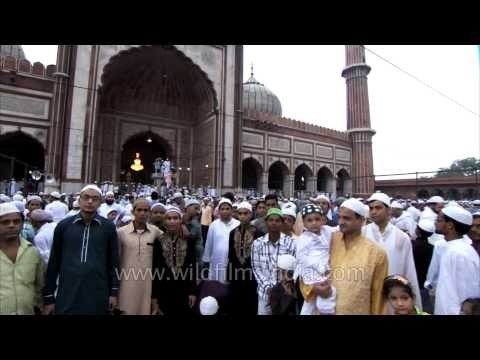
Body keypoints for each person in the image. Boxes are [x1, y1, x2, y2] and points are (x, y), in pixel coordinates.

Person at [43, 185, 120, 315]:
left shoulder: (108, 228)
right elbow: (54, 261)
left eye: (95, 199)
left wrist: (113, 291)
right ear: (79, 200)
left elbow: (113, 261)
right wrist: (49, 296)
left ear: (100, 202)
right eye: (86, 197)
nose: (90, 201)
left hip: (98, 290)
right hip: (68, 290)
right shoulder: (64, 226)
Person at [363, 192, 422, 310]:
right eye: (371, 208)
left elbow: (409, 270)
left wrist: (414, 304)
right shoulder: (362, 233)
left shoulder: (401, 237)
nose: (373, 211)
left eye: (378, 208)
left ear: (388, 210)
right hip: (367, 292)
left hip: (394, 295)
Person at [329, 198, 389, 314]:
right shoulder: (330, 241)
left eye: (346, 218)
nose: (340, 222)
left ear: (361, 220)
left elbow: (379, 297)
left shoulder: (377, 253)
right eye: (339, 217)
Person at [117, 199, 163, 315]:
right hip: (126, 280)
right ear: (133, 212)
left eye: (146, 210)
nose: (143, 213)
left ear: (150, 213)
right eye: (139, 210)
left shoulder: (155, 232)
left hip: (147, 282)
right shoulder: (121, 232)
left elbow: (170, 239)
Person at [433, 206, 480, 315]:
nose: (435, 223)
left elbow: (468, 297)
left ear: (450, 225)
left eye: (439, 220)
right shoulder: (452, 248)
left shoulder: (460, 253)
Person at [151, 205, 197, 315]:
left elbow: (192, 266)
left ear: (180, 220)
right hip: (164, 289)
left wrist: (192, 291)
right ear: (165, 221)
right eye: (169, 218)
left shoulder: (189, 240)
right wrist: (154, 297)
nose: (172, 221)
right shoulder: (158, 241)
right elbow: (155, 268)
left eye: (175, 218)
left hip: (184, 288)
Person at [0, 203, 45, 315]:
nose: (12, 225)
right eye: (5, 222)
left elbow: (40, 285)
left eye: (16, 221)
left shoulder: (32, 252)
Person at [251, 208, 296, 315]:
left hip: (284, 294)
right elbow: (256, 268)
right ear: (266, 222)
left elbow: (293, 269)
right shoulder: (257, 243)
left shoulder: (291, 243)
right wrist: (268, 288)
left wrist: (280, 288)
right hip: (264, 293)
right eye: (271, 220)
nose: (274, 223)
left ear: (282, 223)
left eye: (277, 220)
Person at [296, 204, 336, 315]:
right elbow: (302, 258)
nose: (314, 223)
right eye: (309, 220)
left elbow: (338, 229)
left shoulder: (327, 231)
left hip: (327, 270)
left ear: (323, 219)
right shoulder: (304, 239)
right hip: (312, 272)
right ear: (304, 223)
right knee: (309, 305)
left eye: (317, 219)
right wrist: (320, 267)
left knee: (328, 300)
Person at [227, 201, 260, 315]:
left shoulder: (258, 233)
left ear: (251, 214)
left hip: (252, 276)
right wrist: (229, 275)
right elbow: (230, 256)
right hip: (236, 275)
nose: (243, 216)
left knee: (250, 305)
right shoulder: (232, 232)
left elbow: (259, 257)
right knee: (236, 304)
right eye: (240, 213)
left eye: (246, 213)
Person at [202, 198, 240, 283]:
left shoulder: (238, 224)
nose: (225, 211)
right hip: (217, 259)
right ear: (219, 210)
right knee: (217, 284)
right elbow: (209, 243)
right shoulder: (213, 225)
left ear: (231, 210)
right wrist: (206, 259)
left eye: (227, 209)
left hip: (233, 260)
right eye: (222, 209)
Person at [412, 219, 435, 314]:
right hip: (424, 283)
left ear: (418, 231)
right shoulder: (432, 248)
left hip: (414, 281)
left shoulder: (412, 245)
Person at [183, 198, 204, 263]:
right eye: (196, 208)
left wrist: (182, 225)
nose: (197, 211)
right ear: (187, 208)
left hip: (195, 252)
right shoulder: (180, 218)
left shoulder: (195, 222)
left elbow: (190, 236)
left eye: (198, 209)